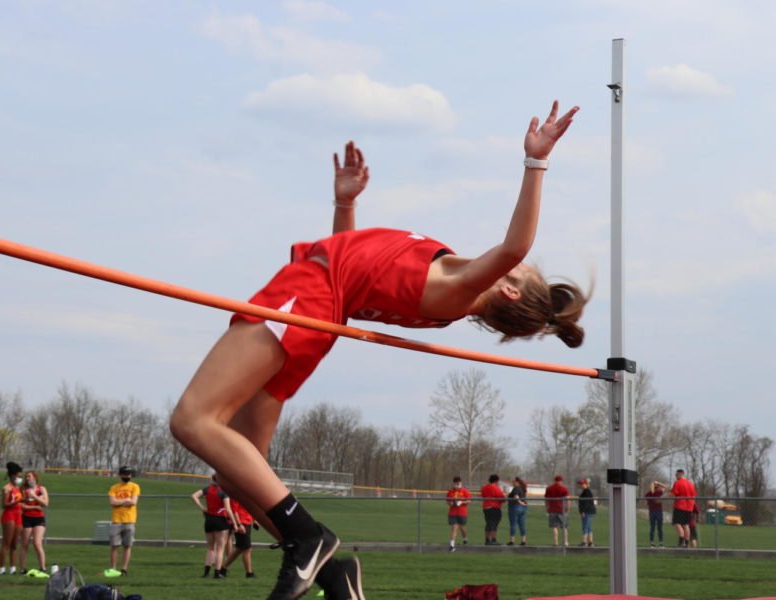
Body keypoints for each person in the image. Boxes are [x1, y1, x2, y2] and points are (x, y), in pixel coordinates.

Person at [169, 101, 582, 600]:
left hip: (307, 296)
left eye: (518, 270)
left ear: (508, 289)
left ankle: (308, 537)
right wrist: (346, 207)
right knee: (240, 474)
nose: (513, 261)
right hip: (321, 309)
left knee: (193, 420)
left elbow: (513, 246)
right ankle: (334, 576)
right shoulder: (446, 275)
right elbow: (352, 265)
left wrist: (536, 162)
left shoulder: (461, 289)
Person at [191, 474, 238, 578]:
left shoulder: (207, 489)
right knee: (220, 548)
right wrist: (234, 523)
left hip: (209, 519)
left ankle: (206, 573)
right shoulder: (224, 491)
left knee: (210, 548)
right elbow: (228, 508)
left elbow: (194, 496)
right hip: (220, 519)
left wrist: (202, 508)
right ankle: (217, 572)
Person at [108, 465, 140, 576]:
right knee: (114, 545)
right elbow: (112, 502)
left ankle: (124, 569)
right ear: (120, 475)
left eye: (129, 474)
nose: (128, 476)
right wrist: (126, 500)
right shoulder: (114, 488)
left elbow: (133, 502)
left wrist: (119, 501)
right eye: (125, 474)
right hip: (116, 520)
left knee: (127, 546)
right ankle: (113, 569)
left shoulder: (134, 486)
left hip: (129, 520)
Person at [18, 470, 49, 573]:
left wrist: (34, 496)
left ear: (35, 478)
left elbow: (45, 503)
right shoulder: (23, 490)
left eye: (29, 476)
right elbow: (22, 506)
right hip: (26, 518)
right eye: (26, 477)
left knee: (37, 543)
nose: (27, 478)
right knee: (25, 544)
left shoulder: (41, 489)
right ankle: (23, 569)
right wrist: (35, 506)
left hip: (39, 519)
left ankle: (42, 568)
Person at [222, 497, 259, 578]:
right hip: (242, 523)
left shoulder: (246, 495)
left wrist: (254, 520)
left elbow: (249, 509)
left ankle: (223, 569)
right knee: (247, 549)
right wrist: (239, 525)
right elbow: (234, 511)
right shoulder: (236, 495)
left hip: (247, 522)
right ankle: (249, 573)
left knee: (239, 549)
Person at [0, 462, 24, 575]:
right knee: (6, 543)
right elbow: (4, 504)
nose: (20, 478)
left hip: (18, 514)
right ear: (13, 476)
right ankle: (2, 569)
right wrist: (17, 501)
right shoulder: (7, 488)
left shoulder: (18, 488)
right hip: (9, 514)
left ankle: (13, 568)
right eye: (19, 476)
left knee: (14, 543)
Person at [669, 469, 696, 548]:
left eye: (676, 475)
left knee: (677, 523)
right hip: (689, 507)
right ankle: (686, 543)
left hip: (680, 506)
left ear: (680, 474)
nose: (676, 477)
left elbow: (673, 493)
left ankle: (681, 542)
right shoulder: (691, 484)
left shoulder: (678, 483)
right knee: (686, 525)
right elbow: (694, 496)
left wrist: (662, 498)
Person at [446, 476, 471, 552]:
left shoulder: (465, 491)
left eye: (459, 482)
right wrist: (451, 503)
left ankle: (465, 539)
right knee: (454, 528)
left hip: (462, 512)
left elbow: (469, 501)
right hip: (453, 512)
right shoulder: (450, 491)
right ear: (454, 483)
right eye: (456, 482)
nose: (457, 483)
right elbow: (447, 501)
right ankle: (452, 545)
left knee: (462, 528)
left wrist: (461, 502)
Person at [544, 475, 570, 547]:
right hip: (561, 509)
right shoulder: (563, 488)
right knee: (564, 526)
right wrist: (568, 508)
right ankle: (565, 542)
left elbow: (546, 500)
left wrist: (547, 508)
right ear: (561, 481)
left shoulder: (549, 488)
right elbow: (567, 499)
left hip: (552, 509)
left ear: (555, 480)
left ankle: (556, 542)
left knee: (554, 526)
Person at [480, 474, 505, 545]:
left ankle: (487, 540)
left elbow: (483, 495)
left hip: (486, 507)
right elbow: (502, 498)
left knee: (488, 523)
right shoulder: (495, 487)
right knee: (494, 523)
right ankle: (493, 540)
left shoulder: (485, 487)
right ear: (496, 481)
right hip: (494, 507)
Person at [506, 477, 528, 546]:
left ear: (517, 482)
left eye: (513, 482)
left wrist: (520, 502)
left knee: (513, 524)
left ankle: (512, 541)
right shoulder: (522, 489)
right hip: (523, 509)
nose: (512, 483)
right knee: (522, 524)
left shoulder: (516, 488)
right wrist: (523, 504)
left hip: (515, 507)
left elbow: (516, 496)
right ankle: (523, 541)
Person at [644, 481, 665, 547]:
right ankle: (660, 542)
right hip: (658, 512)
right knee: (659, 528)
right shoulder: (658, 492)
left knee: (653, 528)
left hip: (652, 512)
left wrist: (649, 504)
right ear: (657, 487)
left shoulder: (649, 493)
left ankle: (652, 542)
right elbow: (665, 487)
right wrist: (658, 483)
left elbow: (645, 503)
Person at [577, 478, 596, 547]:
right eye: (581, 484)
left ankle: (584, 542)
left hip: (587, 512)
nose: (581, 485)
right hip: (590, 511)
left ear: (586, 484)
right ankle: (590, 542)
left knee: (585, 526)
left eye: (582, 484)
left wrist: (583, 511)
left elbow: (586, 503)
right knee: (588, 527)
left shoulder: (586, 491)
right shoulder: (585, 491)